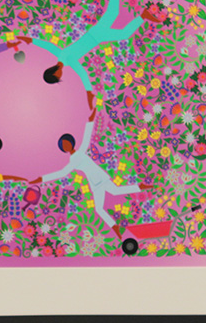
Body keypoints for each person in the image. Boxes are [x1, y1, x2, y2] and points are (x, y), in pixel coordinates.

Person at [32, 93, 151, 239]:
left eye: (67, 143)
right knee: (100, 207)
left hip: (100, 178)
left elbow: (87, 135)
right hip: (95, 183)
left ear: (71, 142)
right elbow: (61, 173)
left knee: (114, 193)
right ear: (63, 149)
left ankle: (140, 188)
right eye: (64, 146)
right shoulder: (72, 163)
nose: (67, 146)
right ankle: (115, 226)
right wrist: (41, 179)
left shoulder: (81, 150)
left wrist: (92, 116)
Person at [34, 0, 164, 101]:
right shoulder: (63, 58)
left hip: (96, 36)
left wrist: (89, 92)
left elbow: (82, 73)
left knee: (123, 31)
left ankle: (138, 9)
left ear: (54, 73)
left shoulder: (67, 59)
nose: (60, 76)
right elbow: (48, 46)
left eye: (57, 77)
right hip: (96, 36)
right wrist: (28, 40)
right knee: (114, 15)